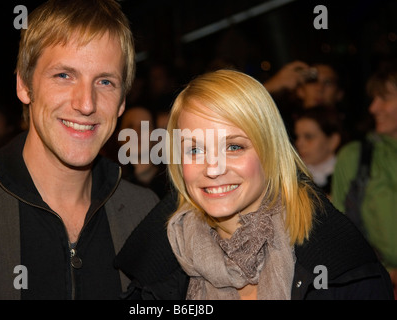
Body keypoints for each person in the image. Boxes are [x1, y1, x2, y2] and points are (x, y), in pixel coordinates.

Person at [0, 0, 159, 300]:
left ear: (122, 101)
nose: (86, 103)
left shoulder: (145, 213)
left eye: (105, 81)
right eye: (64, 75)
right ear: (24, 84)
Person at [163, 69, 392, 299]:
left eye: (234, 147)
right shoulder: (159, 271)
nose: (213, 169)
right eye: (194, 150)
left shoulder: (341, 266)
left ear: (270, 151)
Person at [331, 60, 397, 297]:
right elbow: (339, 232)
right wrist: (382, 271)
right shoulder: (357, 156)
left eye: (385, 98)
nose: (373, 108)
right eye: (373, 99)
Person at [294, 106, 343, 197]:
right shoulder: (292, 177)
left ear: (333, 141)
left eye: (308, 137)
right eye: (297, 137)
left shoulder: (346, 178)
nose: (299, 143)